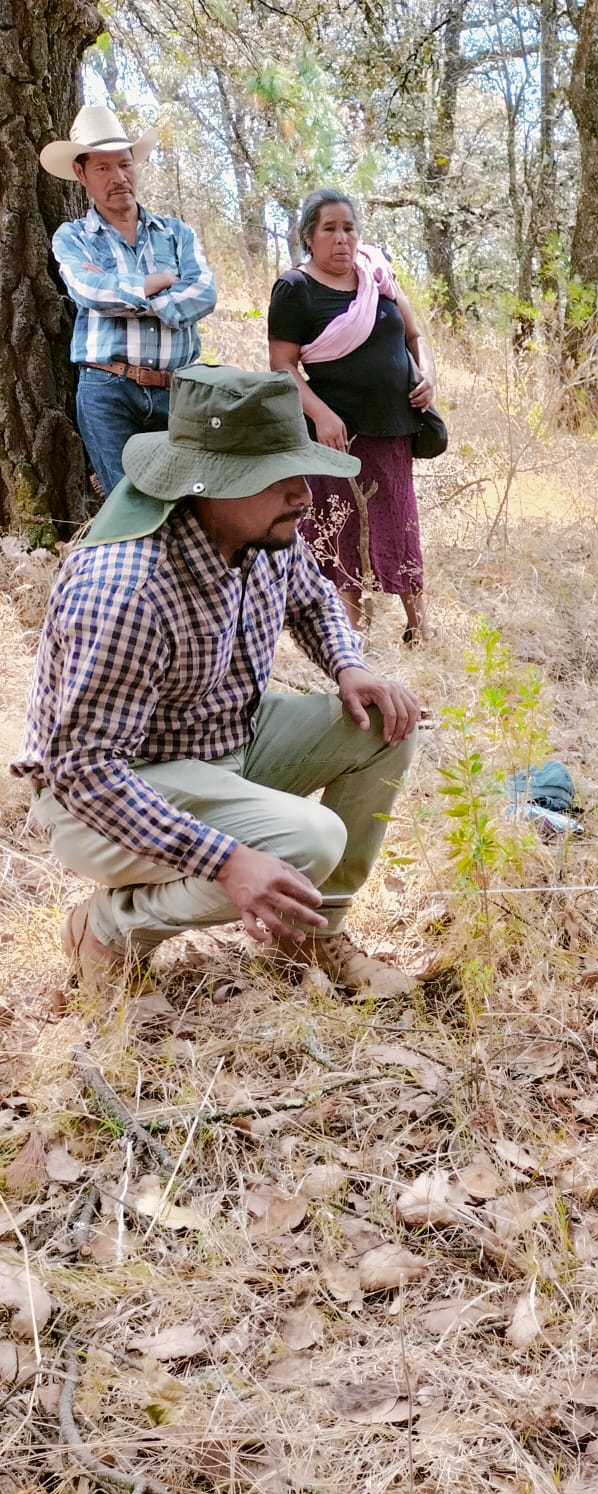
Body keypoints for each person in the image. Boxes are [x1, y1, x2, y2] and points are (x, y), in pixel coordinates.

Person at [12, 365, 422, 1000]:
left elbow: (312, 602)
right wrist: (228, 862)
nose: (304, 493)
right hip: (105, 798)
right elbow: (86, 772)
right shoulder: (129, 587)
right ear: (211, 486)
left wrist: (350, 666)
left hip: (224, 742)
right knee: (309, 841)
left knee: (387, 725)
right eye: (279, 476)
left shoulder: (265, 532)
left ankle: (312, 928)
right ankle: (106, 929)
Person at [268, 189, 437, 643]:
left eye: (349, 228)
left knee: (400, 524)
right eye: (330, 229)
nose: (342, 239)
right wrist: (321, 415)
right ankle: (351, 637)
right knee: (340, 529)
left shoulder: (376, 275)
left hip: (393, 427)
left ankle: (421, 631)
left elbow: (415, 336)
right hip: (334, 437)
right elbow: (282, 366)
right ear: (309, 237)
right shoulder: (295, 289)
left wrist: (428, 378)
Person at [42, 106, 217, 499]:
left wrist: (128, 293)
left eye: (124, 164)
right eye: (102, 168)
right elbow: (90, 293)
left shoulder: (176, 233)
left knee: (189, 502)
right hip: (108, 389)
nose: (118, 178)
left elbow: (204, 293)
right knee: (129, 504)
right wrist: (162, 284)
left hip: (178, 389)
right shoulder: (73, 238)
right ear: (81, 174)